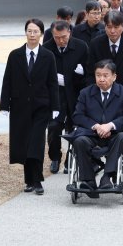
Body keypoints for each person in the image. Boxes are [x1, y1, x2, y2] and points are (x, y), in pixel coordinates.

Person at [0, 18, 59, 194]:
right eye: (29, 31)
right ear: (25, 32)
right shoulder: (15, 55)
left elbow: (53, 82)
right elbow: (7, 80)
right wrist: (4, 105)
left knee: (36, 143)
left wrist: (55, 106)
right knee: (24, 144)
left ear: (41, 34)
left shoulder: (48, 56)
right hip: (20, 107)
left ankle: (38, 180)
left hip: (41, 106)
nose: (32, 35)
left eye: (36, 31)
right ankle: (29, 180)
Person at [71, 59, 123, 193]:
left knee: (122, 137)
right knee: (79, 141)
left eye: (105, 75)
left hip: (114, 134)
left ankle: (107, 177)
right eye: (98, 75)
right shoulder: (85, 93)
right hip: (91, 134)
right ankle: (88, 180)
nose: (101, 79)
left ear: (114, 77)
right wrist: (96, 126)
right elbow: (77, 116)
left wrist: (110, 126)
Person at [42, 20, 89, 173]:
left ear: (69, 32)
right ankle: (55, 157)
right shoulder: (47, 48)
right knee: (54, 127)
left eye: (63, 37)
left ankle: (71, 159)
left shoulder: (81, 47)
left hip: (76, 95)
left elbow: (88, 74)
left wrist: (73, 77)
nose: (61, 40)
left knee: (74, 128)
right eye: (57, 37)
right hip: (55, 96)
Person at [87, 10, 123, 97]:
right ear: (104, 26)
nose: (112, 31)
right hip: (101, 94)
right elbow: (90, 71)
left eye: (116, 27)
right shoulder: (95, 43)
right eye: (109, 27)